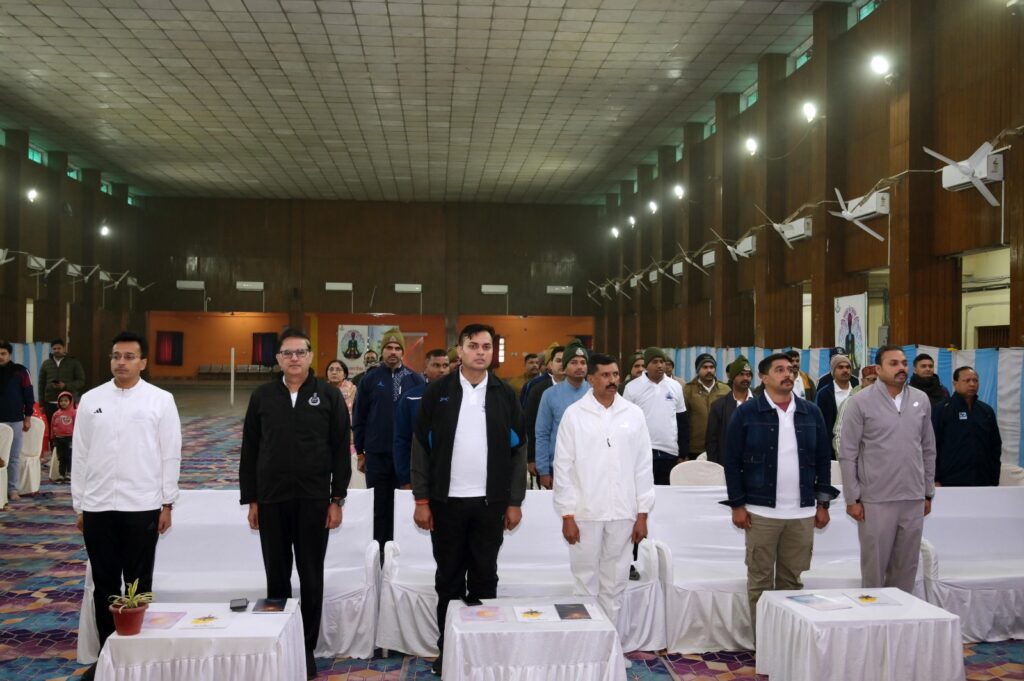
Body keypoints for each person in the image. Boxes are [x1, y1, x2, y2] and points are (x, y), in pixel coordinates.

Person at [411, 323, 526, 675]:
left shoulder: (505, 394)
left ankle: (482, 649)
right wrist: (421, 500)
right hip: (446, 503)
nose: (480, 352)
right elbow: (421, 447)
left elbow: (519, 450)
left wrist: (515, 501)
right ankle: (448, 650)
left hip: (490, 504)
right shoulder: (438, 392)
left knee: (484, 578)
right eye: (473, 346)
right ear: (459, 351)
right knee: (448, 579)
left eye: (486, 347)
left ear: (493, 352)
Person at [240, 328, 351, 680]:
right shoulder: (262, 396)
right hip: (271, 499)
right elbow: (250, 450)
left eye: (300, 352)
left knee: (311, 574)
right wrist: (252, 499)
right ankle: (279, 641)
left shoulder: (328, 395)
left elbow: (340, 450)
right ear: (278, 359)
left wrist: (337, 498)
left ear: (310, 356)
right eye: (287, 353)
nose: (294, 358)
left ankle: (305, 648)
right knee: (276, 575)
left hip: (314, 500)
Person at [71, 331, 181, 681]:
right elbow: (80, 454)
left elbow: (170, 453)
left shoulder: (160, 400)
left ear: (143, 362)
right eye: (116, 356)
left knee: (138, 583)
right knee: (104, 584)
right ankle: (109, 657)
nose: (121, 362)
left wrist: (167, 502)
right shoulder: (91, 400)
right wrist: (79, 505)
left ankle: (137, 657)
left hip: (142, 504)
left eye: (129, 357)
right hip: (98, 505)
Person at [722, 353, 838, 635]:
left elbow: (823, 459)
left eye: (790, 369)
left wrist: (822, 504)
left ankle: (787, 643)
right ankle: (764, 644)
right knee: (760, 582)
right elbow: (731, 460)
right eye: (779, 370)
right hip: (760, 512)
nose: (788, 374)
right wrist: (737, 505)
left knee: (792, 583)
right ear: (764, 377)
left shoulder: (811, 412)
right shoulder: (747, 412)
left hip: (802, 512)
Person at [554, 353, 654, 651]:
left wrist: (643, 512)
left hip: (623, 512)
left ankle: (610, 650)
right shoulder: (574, 415)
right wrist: (567, 515)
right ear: (591, 379)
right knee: (584, 583)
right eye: (606, 375)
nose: (613, 380)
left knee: (615, 583)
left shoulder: (633, 414)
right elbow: (563, 467)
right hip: (584, 513)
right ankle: (584, 649)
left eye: (615, 375)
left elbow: (643, 466)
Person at [839, 345, 936, 592]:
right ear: (878, 369)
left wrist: (927, 493)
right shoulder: (860, 402)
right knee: (874, 568)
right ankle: (873, 615)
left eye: (904, 363)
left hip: (913, 498)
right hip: (876, 499)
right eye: (893, 363)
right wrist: (852, 498)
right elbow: (847, 453)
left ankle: (901, 615)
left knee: (907, 568)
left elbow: (928, 449)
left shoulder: (921, 399)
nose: (901, 368)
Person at [353, 328, 425, 548]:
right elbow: (359, 417)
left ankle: (399, 550)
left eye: (397, 348)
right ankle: (378, 550)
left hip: (406, 457)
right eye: (388, 348)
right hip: (377, 455)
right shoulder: (369, 380)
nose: (393, 352)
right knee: (378, 506)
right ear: (382, 351)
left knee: (402, 504)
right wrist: (361, 452)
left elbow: (422, 421)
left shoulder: (415, 380)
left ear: (402, 352)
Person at [623, 347, 689, 485]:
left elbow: (682, 421)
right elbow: (625, 423)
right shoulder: (632, 387)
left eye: (662, 361)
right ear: (646, 365)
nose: (659, 365)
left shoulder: (675, 386)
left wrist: (683, 454)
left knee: (667, 493)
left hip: (670, 453)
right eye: (655, 362)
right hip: (642, 452)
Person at [534, 340, 591, 489]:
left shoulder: (594, 393)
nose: (579, 366)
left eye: (583, 362)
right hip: (559, 467)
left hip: (591, 466)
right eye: (574, 362)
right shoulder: (550, 395)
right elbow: (542, 433)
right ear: (565, 367)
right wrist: (543, 470)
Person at [932, 366, 1001, 487]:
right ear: (955, 384)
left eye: (975, 380)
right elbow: (932, 446)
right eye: (967, 380)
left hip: (983, 480)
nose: (972, 384)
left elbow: (995, 446)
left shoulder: (986, 411)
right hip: (950, 480)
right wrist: (935, 478)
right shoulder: (942, 410)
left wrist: (994, 478)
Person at [394, 348, 450, 489]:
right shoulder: (410, 398)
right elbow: (401, 440)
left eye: (445, 365)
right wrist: (405, 479)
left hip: (452, 477)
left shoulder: (460, 397)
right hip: (419, 474)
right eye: (436, 365)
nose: (442, 370)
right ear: (425, 368)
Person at [0, 340, 35, 503]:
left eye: (3, 353)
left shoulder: (21, 371)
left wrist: (28, 417)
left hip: (15, 421)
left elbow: (29, 395)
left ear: (10, 354)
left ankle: (12, 489)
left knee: (13, 457)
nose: (0, 357)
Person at [524, 346, 564, 479]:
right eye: (558, 361)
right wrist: (531, 458)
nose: (562, 364)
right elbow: (530, 425)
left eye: (566, 361)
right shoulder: (538, 389)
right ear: (550, 365)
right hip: (546, 457)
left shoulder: (584, 390)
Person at [705, 355, 754, 465]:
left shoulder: (759, 403)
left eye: (748, 375)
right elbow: (711, 442)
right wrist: (715, 468)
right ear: (732, 377)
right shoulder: (719, 406)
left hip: (754, 466)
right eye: (741, 374)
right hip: (728, 465)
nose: (745, 378)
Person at [683, 353, 730, 459]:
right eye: (705, 367)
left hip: (720, 447)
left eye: (712, 367)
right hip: (695, 448)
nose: (709, 370)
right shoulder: (688, 390)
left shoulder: (725, 389)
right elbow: (683, 420)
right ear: (698, 370)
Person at [38, 338, 86, 435]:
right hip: (50, 403)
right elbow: (41, 384)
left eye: (59, 348)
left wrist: (65, 385)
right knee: (52, 430)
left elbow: (81, 381)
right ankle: (53, 445)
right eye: (54, 349)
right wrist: (41, 404)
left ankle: (68, 445)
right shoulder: (46, 364)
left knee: (70, 430)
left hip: (68, 403)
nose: (56, 350)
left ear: (64, 348)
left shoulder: (74, 362)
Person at [814, 354, 855, 458]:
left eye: (848, 367)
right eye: (840, 367)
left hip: (856, 445)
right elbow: (819, 423)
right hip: (832, 449)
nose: (845, 370)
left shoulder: (858, 391)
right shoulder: (824, 394)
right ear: (833, 371)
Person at [832, 364, 878, 455]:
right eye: (872, 380)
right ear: (863, 381)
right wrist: (845, 460)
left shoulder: (886, 402)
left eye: (878, 380)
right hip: (857, 460)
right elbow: (839, 435)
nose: (875, 384)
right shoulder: (850, 402)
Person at [50, 390, 76, 481]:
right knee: (61, 457)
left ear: (70, 401)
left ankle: (69, 473)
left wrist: (76, 437)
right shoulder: (56, 414)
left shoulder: (74, 413)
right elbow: (52, 426)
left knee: (69, 456)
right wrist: (52, 437)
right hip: (59, 439)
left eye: (66, 400)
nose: (63, 403)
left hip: (70, 438)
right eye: (61, 401)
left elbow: (76, 425)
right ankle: (61, 474)